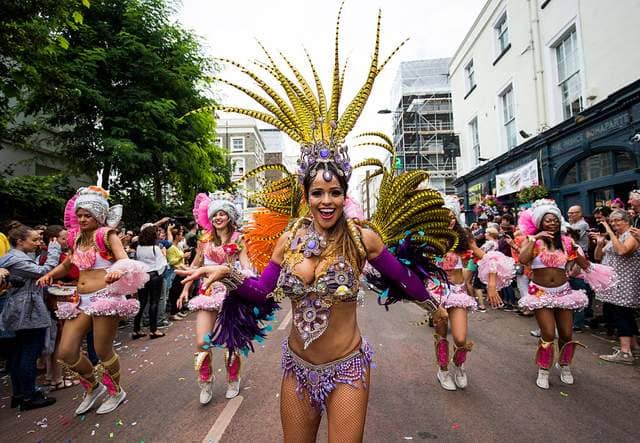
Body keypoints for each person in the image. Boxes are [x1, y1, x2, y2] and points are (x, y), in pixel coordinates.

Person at [178, 8, 458, 437]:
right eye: (317, 193)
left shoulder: (363, 238)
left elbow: (403, 278)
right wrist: (226, 274)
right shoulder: (289, 237)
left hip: (347, 369)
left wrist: (434, 307)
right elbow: (262, 291)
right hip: (296, 369)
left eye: (334, 192)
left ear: (345, 195)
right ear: (305, 196)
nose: (326, 201)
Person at [37, 186, 148, 415]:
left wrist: (118, 270)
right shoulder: (76, 238)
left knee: (102, 349)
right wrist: (49, 274)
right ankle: (93, 387)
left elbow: (125, 260)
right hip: (81, 300)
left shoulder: (107, 235)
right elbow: (68, 265)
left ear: (98, 216)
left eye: (87, 215)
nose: (82, 219)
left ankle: (116, 391)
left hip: (104, 298)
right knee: (66, 352)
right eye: (79, 215)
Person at [517, 199, 615, 390]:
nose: (552, 223)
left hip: (563, 293)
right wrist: (535, 238)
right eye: (548, 220)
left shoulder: (567, 242)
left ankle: (564, 365)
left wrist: (598, 274)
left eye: (555, 220)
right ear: (540, 223)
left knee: (567, 334)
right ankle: (543, 369)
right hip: (540, 293)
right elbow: (522, 259)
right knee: (547, 333)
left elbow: (585, 263)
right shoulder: (533, 241)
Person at [177, 191, 252, 403]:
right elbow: (196, 266)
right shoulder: (204, 239)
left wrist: (247, 281)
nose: (218, 218)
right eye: (214, 215)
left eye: (222, 213)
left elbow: (245, 264)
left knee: (231, 341)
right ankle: (206, 381)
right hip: (208, 292)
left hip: (230, 292)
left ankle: (232, 378)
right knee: (202, 341)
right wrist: (185, 288)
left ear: (229, 216)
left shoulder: (239, 239)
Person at [0, 225, 60, 410]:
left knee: (19, 352)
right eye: (34, 240)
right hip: (27, 309)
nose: (38, 243)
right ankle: (29, 396)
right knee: (29, 352)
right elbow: (44, 271)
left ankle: (19, 394)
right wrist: (54, 251)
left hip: (19, 308)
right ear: (20, 242)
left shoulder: (12, 257)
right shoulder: (16, 259)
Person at [592, 210, 640, 364]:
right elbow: (598, 257)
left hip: (625, 284)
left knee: (621, 315)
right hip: (613, 283)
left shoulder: (632, 235)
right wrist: (600, 244)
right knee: (623, 314)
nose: (613, 224)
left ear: (627, 221)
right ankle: (633, 346)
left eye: (617, 220)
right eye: (611, 221)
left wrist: (608, 231)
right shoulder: (616, 237)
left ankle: (625, 353)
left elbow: (622, 251)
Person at [132, 226, 168, 339]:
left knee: (142, 302)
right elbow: (161, 263)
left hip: (142, 275)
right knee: (154, 302)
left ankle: (136, 329)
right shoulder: (155, 248)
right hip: (154, 275)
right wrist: (160, 274)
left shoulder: (138, 248)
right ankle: (153, 330)